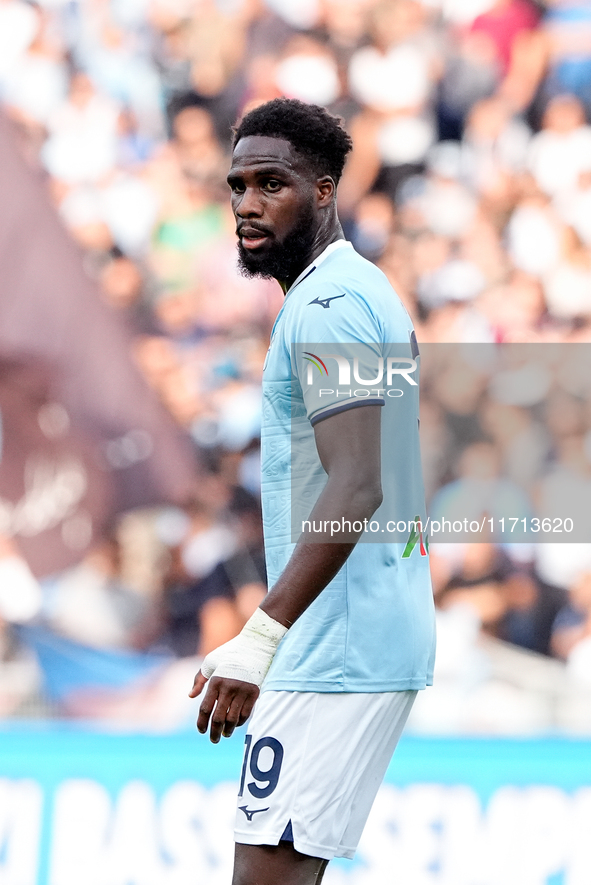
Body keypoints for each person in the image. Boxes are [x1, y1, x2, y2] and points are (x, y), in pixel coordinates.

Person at [189, 98, 436, 885]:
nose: (248, 205)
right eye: (238, 186)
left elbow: (358, 480)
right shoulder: (352, 291)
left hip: (335, 646)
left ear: (324, 190)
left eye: (272, 184)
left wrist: (262, 635)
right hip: (350, 634)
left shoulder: (329, 306)